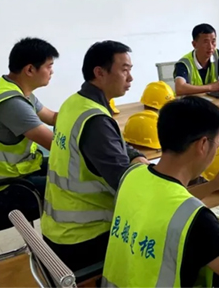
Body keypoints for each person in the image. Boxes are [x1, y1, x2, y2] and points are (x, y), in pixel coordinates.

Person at [102, 96, 219, 287]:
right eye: (217, 145)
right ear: (203, 145)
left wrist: (214, 184)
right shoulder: (197, 219)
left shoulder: (132, 175)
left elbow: (164, 203)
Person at [42, 41, 149, 271]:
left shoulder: (75, 103)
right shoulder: (95, 120)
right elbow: (129, 186)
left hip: (58, 229)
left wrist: (135, 155)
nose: (130, 78)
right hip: (84, 237)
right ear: (100, 73)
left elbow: (115, 141)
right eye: (124, 70)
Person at [0, 38, 59, 233]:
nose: (52, 71)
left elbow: (53, 118)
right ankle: (61, 247)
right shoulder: (12, 104)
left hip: (12, 173)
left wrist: (82, 114)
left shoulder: (12, 88)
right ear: (30, 69)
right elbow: (56, 146)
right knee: (75, 187)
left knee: (68, 170)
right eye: (49, 66)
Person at [174, 24, 219, 96]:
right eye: (206, 42)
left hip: (212, 100)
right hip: (192, 101)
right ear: (194, 44)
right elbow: (179, 88)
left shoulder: (217, 55)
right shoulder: (184, 63)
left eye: (213, 41)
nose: (210, 47)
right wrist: (211, 87)